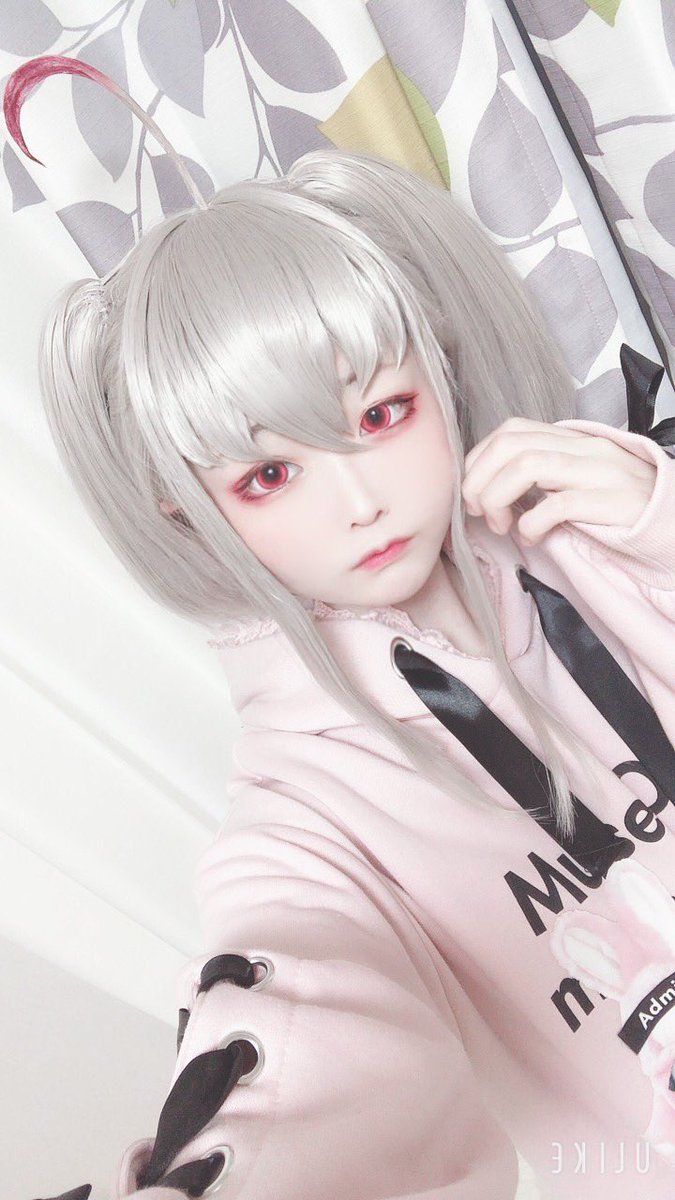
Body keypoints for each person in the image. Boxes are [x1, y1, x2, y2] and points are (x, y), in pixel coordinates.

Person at [5, 56, 675, 1200]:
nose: (358, 500)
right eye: (269, 474)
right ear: (187, 509)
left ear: (440, 370)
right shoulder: (304, 809)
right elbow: (296, 1013)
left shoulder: (602, 534)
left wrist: (661, 525)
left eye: (381, 412)